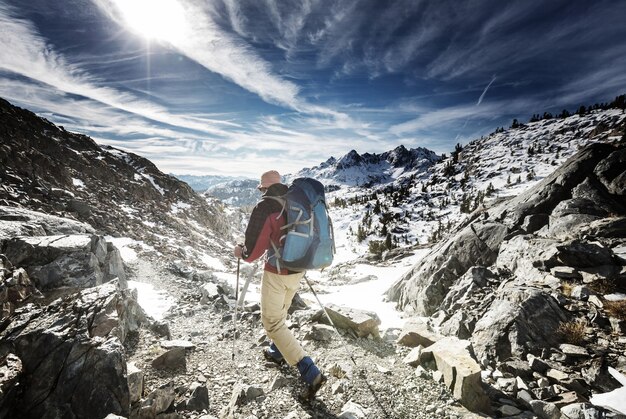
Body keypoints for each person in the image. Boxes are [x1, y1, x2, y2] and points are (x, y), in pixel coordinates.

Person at [233, 170, 326, 398]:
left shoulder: (266, 207)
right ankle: (277, 352)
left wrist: (240, 253)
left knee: (272, 322)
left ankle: (309, 370)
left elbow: (253, 251)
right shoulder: (295, 201)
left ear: (264, 188)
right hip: (298, 269)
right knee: (280, 313)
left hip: (277, 272)